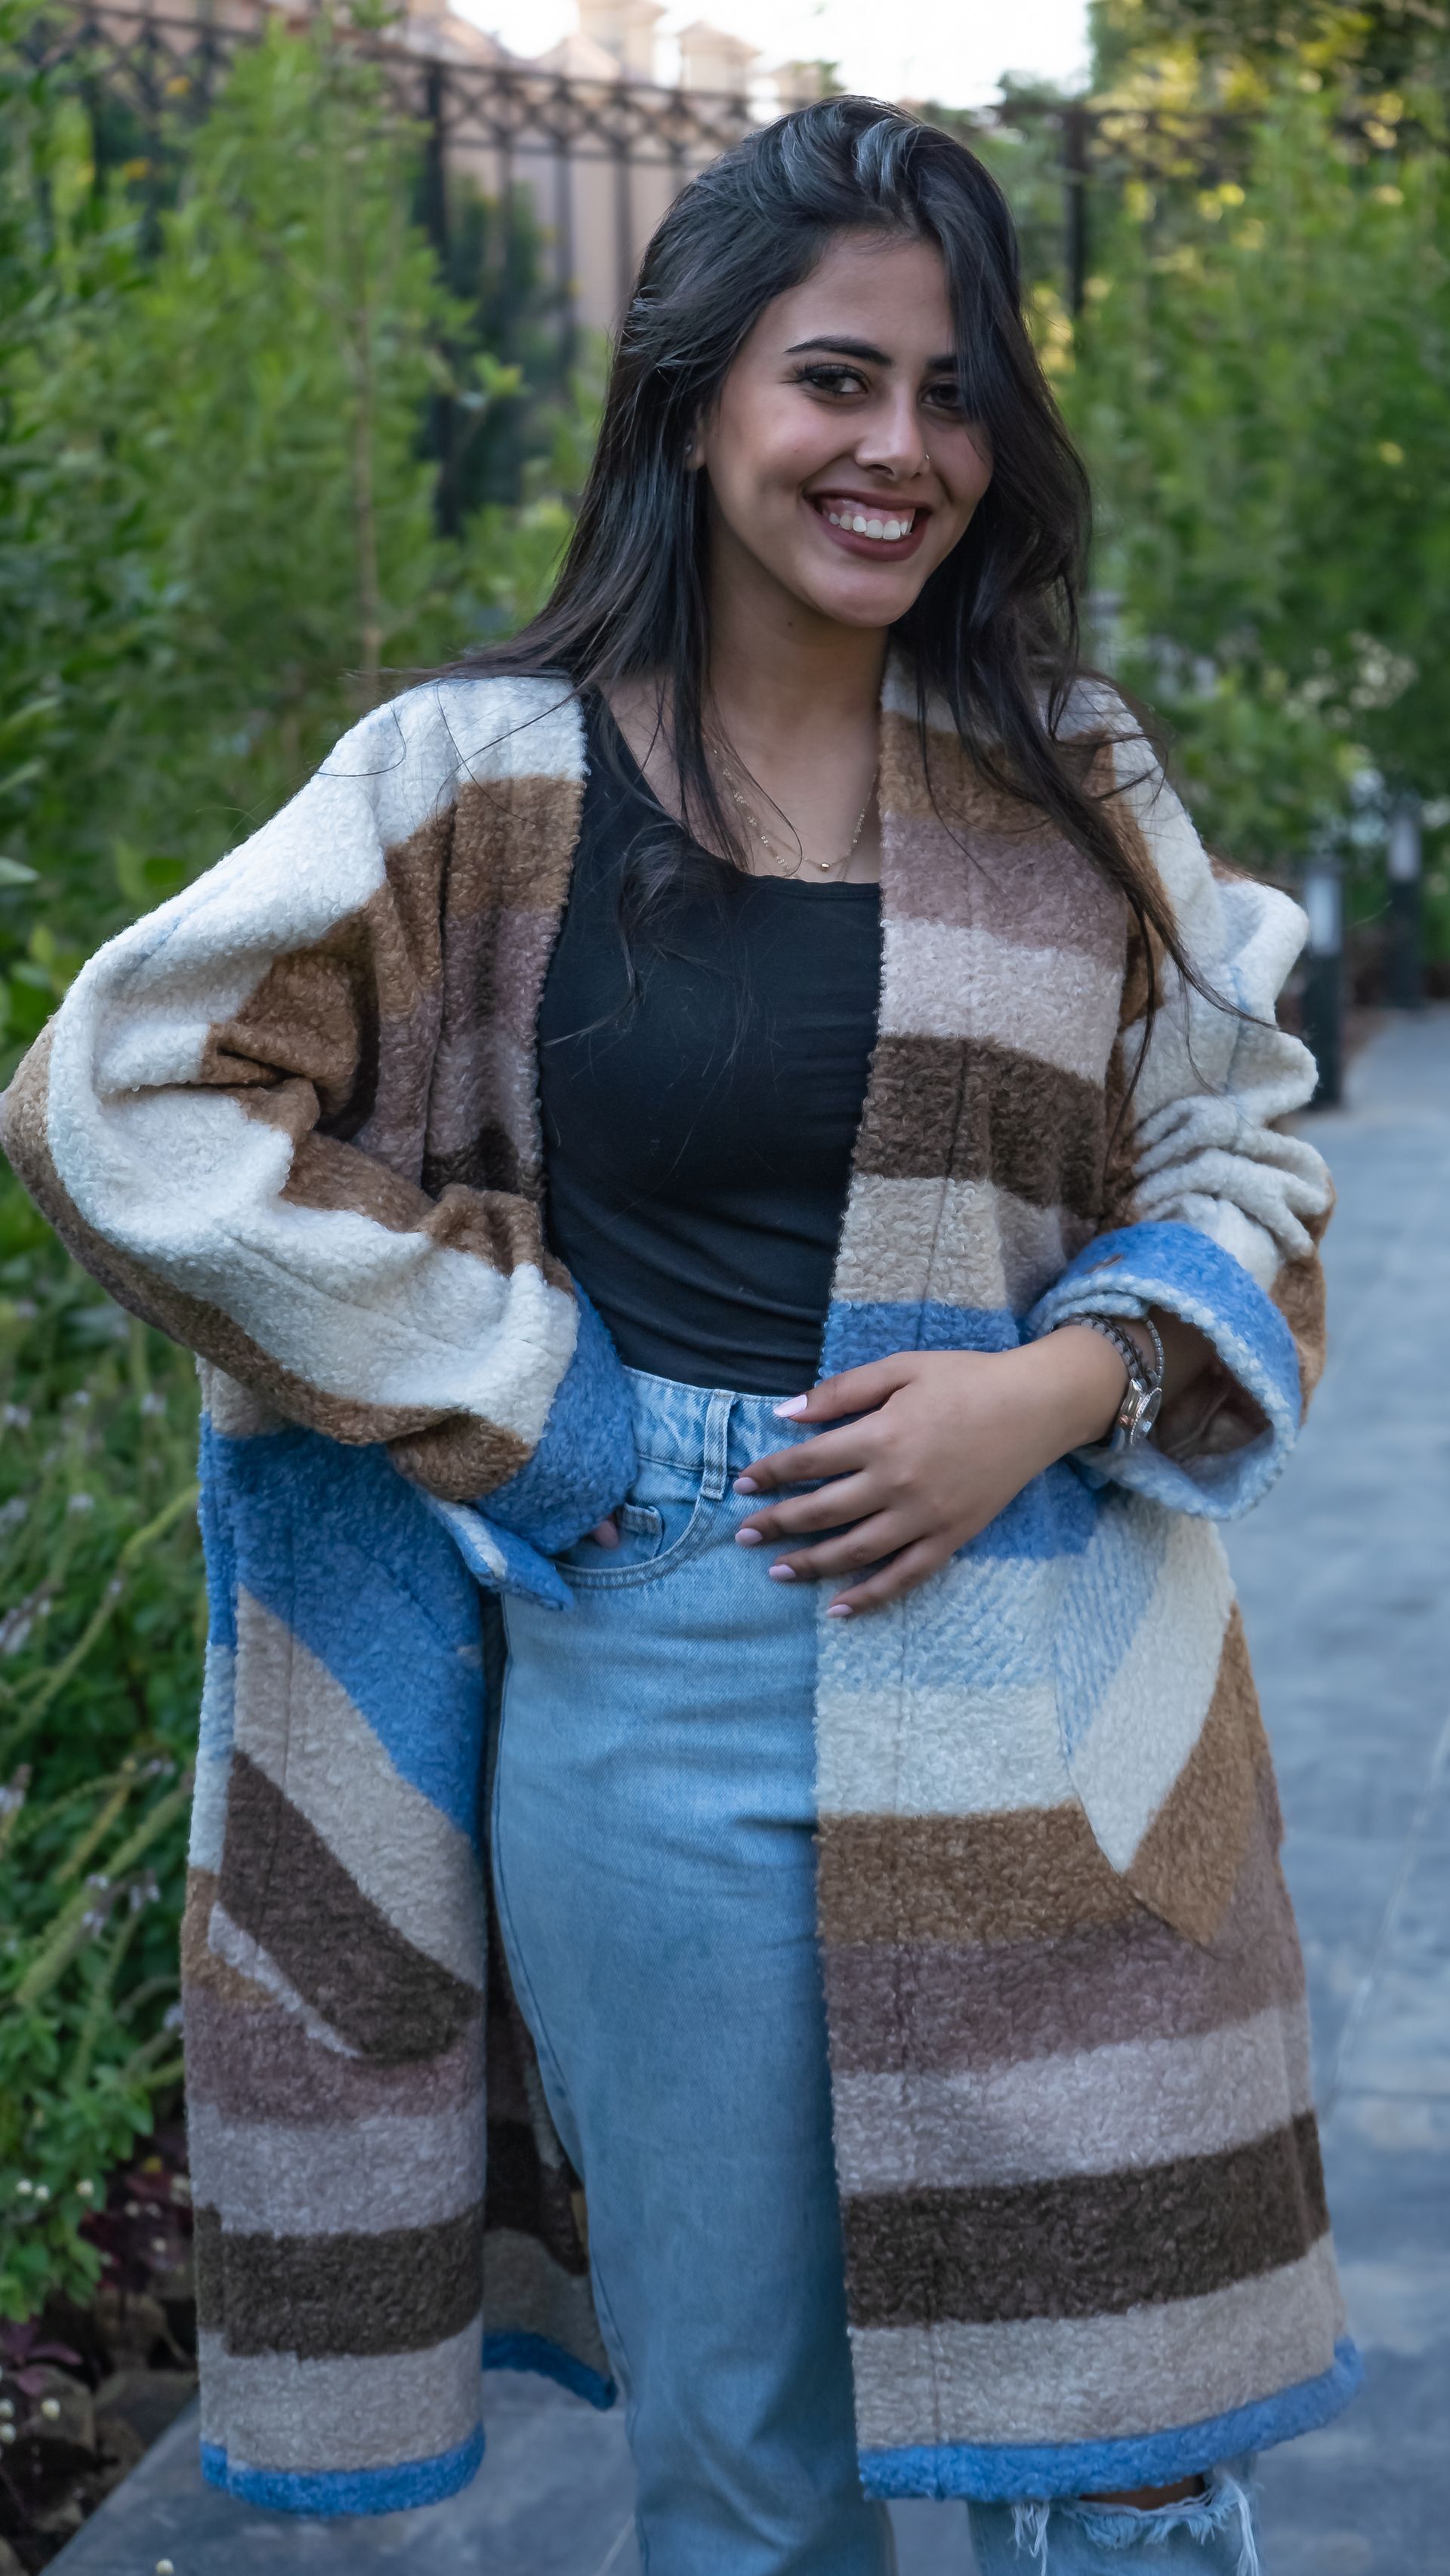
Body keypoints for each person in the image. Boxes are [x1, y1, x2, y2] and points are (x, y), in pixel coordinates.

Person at [2, 97, 1358, 2576]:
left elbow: (1249, 1163)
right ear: (699, 391)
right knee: (744, 2463)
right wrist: (542, 1402)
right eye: (836, 379)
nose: (900, 451)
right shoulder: (481, 777)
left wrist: (1050, 1391)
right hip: (667, 1665)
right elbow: (118, 1089)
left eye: (954, 397)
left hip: (1066, 1678)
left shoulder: (1072, 777)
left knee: (1133, 2473)